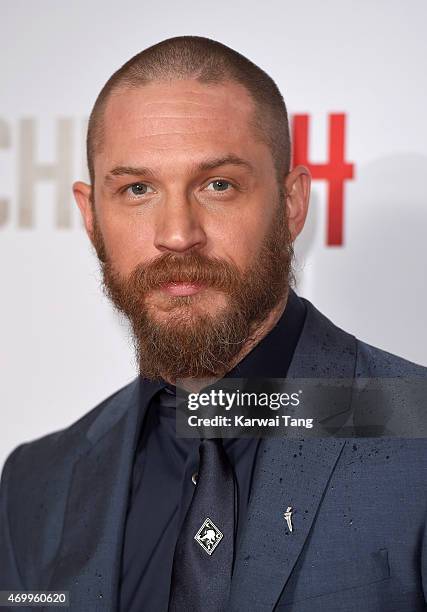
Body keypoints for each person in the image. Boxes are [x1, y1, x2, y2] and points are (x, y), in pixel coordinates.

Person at [0, 35, 426, 612]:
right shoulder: (35, 483)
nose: (177, 233)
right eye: (138, 189)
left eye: (218, 185)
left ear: (292, 203)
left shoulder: (416, 437)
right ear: (91, 216)